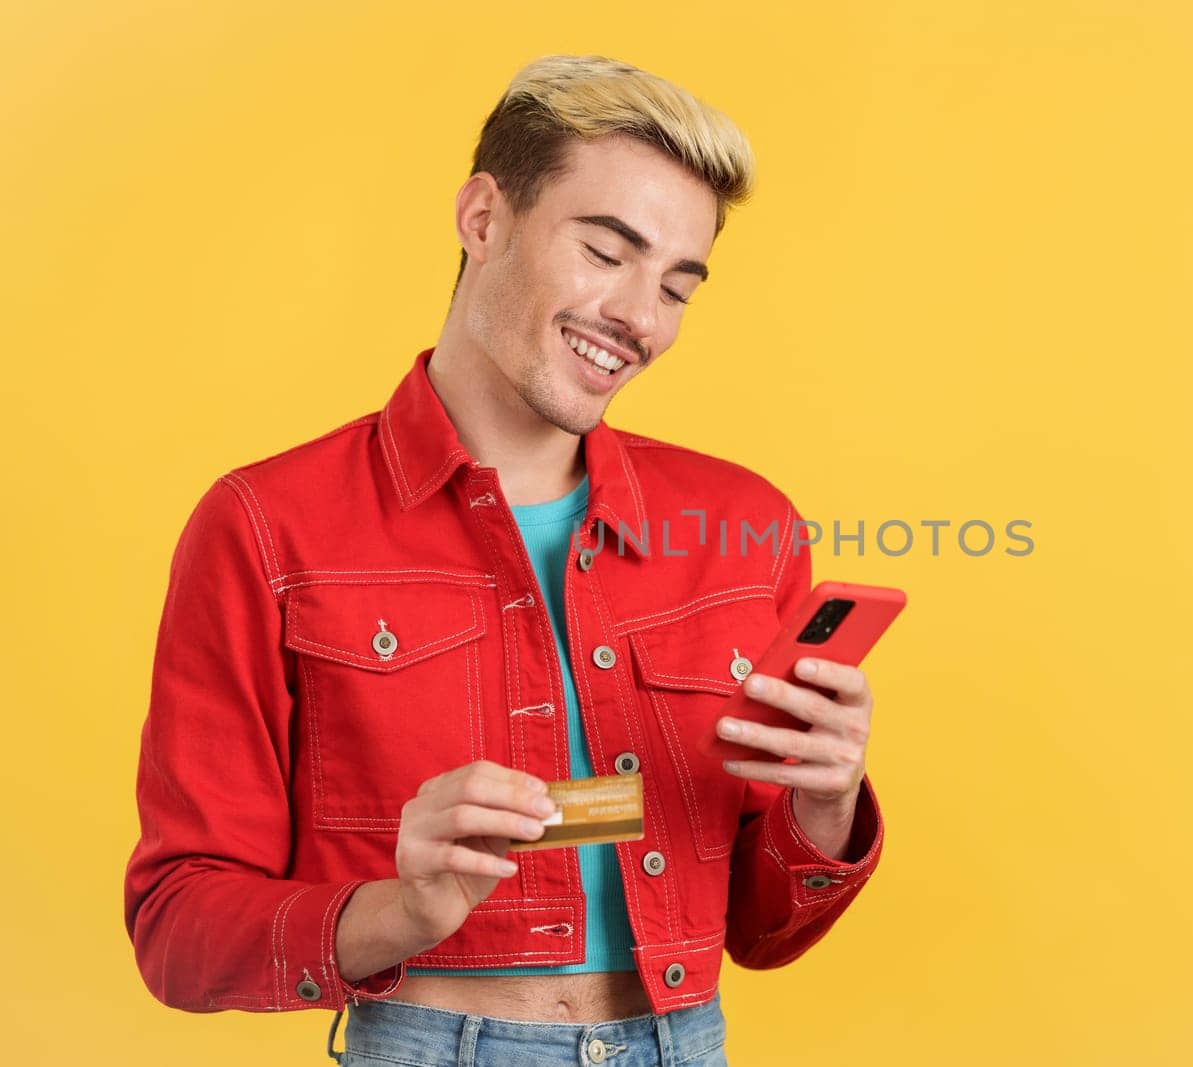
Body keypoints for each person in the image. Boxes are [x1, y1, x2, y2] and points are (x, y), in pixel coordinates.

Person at [123, 54, 886, 1066]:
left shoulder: (744, 525)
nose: (640, 318)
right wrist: (398, 908)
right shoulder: (267, 525)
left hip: (684, 1043)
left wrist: (826, 801)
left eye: (676, 285)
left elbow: (762, 929)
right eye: (607, 250)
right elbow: (178, 929)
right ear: (483, 217)